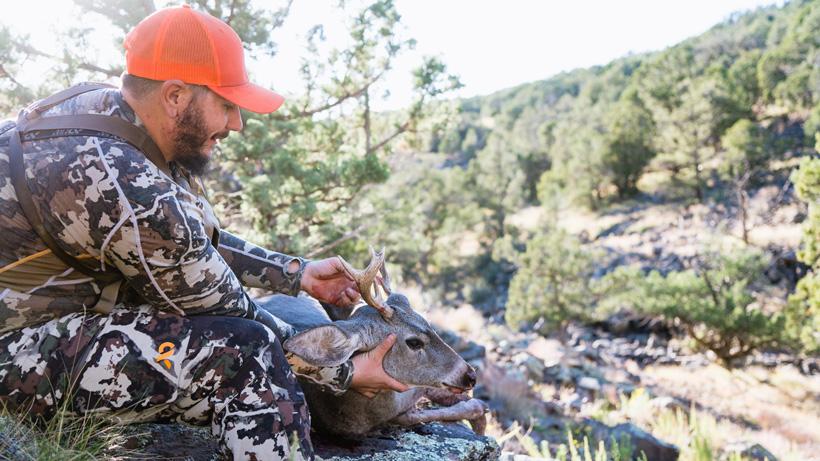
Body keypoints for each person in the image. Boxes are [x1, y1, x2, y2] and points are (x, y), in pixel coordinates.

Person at [0, 5, 406, 460]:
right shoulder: (129, 186)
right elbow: (239, 312)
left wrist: (297, 273)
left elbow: (192, 244)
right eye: (227, 105)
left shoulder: (111, 112)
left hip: (38, 321)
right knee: (249, 354)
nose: (237, 124)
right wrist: (347, 374)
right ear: (175, 96)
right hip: (12, 355)